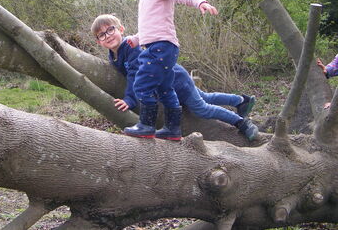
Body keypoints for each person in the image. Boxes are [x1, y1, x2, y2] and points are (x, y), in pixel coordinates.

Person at [91, 14, 259, 141]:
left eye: (110, 29)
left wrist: (129, 99)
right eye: (102, 35)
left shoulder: (131, 48)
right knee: (204, 96)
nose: (108, 36)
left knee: (201, 108)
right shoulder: (113, 55)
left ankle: (241, 123)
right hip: (169, 79)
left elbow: (136, 76)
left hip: (175, 80)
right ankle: (240, 101)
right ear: (98, 41)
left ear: (121, 29)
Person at [121, 0, 219, 141]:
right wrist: (136, 39)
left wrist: (200, 2)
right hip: (159, 46)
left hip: (160, 47)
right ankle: (173, 129)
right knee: (165, 88)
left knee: (142, 84)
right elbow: (151, 26)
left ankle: (146, 125)